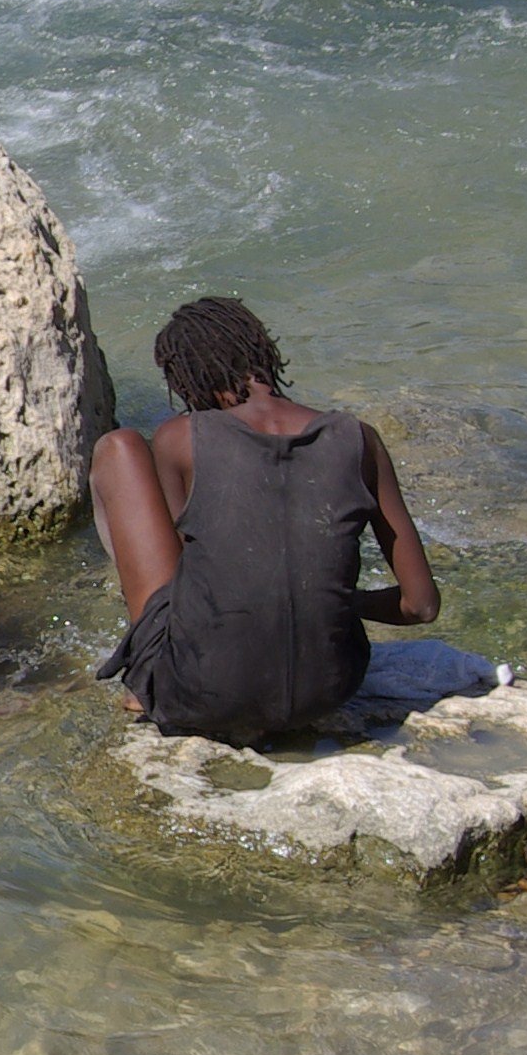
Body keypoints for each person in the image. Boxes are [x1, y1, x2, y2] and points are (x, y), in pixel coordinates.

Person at [89, 295, 439, 746]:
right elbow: (422, 605)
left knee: (119, 448)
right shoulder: (359, 439)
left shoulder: (182, 438)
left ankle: (146, 680)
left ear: (189, 379)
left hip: (204, 694)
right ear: (263, 352)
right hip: (329, 690)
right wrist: (342, 602)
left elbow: (189, 582)